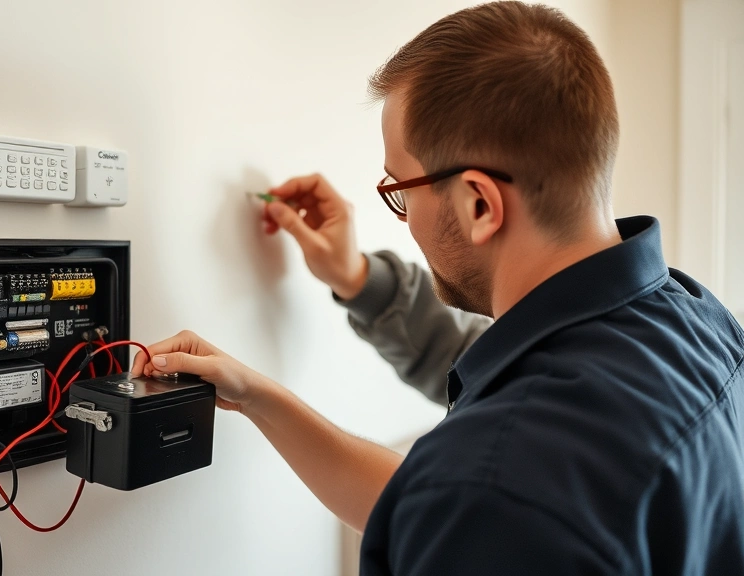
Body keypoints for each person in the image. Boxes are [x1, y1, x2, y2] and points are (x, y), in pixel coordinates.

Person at [132, 2, 744, 573]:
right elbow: (432, 499)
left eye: (400, 189)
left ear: (480, 202)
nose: (403, 218)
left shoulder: (495, 484)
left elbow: (472, 496)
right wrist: (262, 394)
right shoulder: (697, 323)